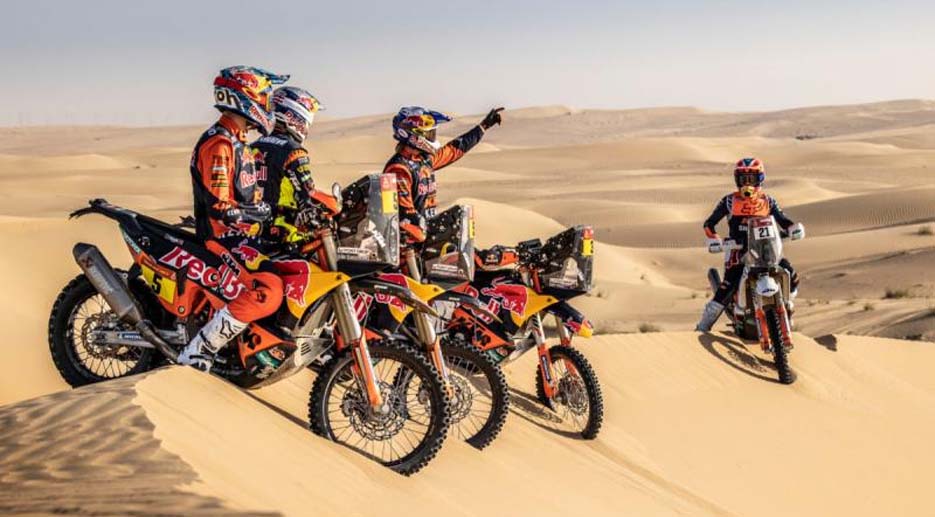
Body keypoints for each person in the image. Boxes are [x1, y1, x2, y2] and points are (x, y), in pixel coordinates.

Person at [179, 65, 289, 371]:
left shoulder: (238, 141)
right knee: (267, 291)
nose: (268, 104)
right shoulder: (220, 144)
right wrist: (256, 212)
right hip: (220, 237)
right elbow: (220, 207)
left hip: (242, 237)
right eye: (265, 97)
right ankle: (199, 350)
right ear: (246, 97)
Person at [696, 158, 805, 331]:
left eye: (751, 179)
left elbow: (783, 221)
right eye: (743, 179)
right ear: (737, 180)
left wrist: (792, 229)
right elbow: (709, 224)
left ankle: (787, 306)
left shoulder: (768, 201)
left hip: (767, 251)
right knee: (727, 287)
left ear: (760, 179)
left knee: (791, 274)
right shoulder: (729, 201)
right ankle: (702, 328)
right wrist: (716, 239)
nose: (747, 184)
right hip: (738, 252)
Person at [383, 106, 504, 243]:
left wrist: (483, 126)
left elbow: (454, 149)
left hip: (426, 230)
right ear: (414, 135)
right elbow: (405, 214)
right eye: (429, 133)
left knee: (459, 219)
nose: (432, 136)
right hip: (411, 240)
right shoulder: (399, 169)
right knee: (455, 220)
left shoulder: (424, 160)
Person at [251, 86, 324, 243]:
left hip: (253, 233)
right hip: (286, 236)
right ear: (294, 117)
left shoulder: (250, 148)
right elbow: (307, 194)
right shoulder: (294, 152)